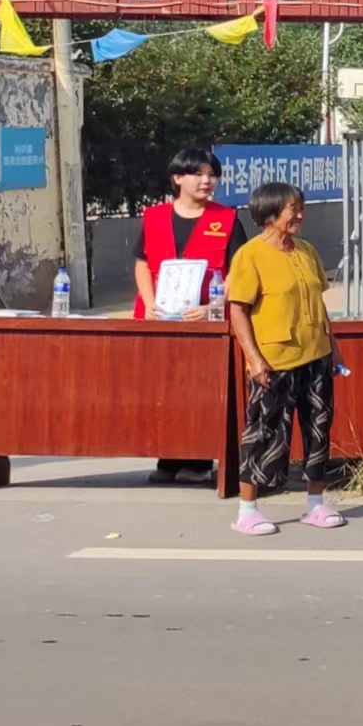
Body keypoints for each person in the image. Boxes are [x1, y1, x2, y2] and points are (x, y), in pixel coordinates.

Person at [224, 182, 346, 535]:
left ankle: (316, 504)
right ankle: (248, 510)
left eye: (301, 208)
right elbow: (238, 310)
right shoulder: (250, 255)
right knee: (264, 432)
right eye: (294, 209)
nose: (300, 215)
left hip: (315, 354)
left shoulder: (306, 251)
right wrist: (253, 358)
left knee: (318, 429)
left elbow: (319, 303)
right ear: (270, 213)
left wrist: (333, 348)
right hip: (274, 359)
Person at [134, 147, 248, 485]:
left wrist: (213, 306)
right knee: (162, 389)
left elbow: (239, 270)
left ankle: (198, 462)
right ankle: (168, 459)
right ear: (178, 178)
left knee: (200, 389)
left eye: (212, 175)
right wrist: (149, 302)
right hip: (159, 318)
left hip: (205, 320)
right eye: (198, 174)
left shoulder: (227, 218)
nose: (207, 181)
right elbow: (142, 263)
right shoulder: (154, 216)